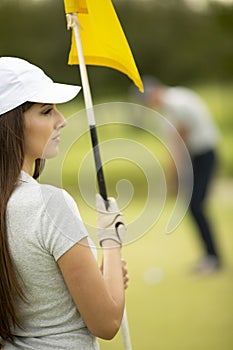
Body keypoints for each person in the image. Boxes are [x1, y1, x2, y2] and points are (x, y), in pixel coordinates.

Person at [0, 56, 128, 349]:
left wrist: (101, 278)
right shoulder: (49, 204)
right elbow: (106, 322)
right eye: (46, 111)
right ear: (10, 124)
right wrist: (111, 242)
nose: (62, 120)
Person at [139, 76, 221, 275]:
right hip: (198, 156)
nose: (150, 104)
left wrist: (172, 178)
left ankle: (213, 258)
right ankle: (211, 256)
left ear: (156, 91)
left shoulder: (175, 104)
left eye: (149, 98)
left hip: (204, 155)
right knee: (195, 206)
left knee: (196, 205)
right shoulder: (172, 103)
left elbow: (179, 144)